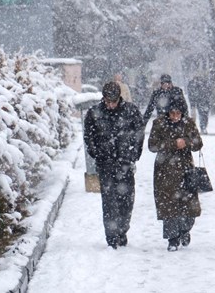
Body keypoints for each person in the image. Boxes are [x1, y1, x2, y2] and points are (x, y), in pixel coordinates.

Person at [83, 81, 145, 249]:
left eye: (113, 101)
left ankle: (123, 230)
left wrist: (134, 154)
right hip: (105, 163)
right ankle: (112, 236)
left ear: (119, 98)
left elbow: (139, 133)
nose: (110, 105)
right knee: (109, 201)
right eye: (107, 101)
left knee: (126, 200)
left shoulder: (131, 111)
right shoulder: (94, 113)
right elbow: (89, 135)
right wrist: (96, 152)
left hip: (125, 162)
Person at [148, 98, 203, 251]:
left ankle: (184, 230)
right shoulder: (159, 123)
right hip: (165, 171)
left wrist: (186, 141)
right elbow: (152, 145)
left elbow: (198, 143)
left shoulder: (188, 123)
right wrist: (173, 144)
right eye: (172, 113)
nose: (175, 116)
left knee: (189, 207)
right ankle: (172, 239)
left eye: (178, 113)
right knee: (168, 206)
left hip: (185, 170)